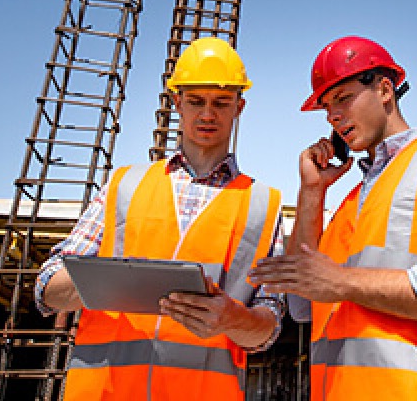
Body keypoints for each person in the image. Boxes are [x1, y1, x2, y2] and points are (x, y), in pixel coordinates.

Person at [250, 35, 417, 401]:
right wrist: (311, 191)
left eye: (343, 97)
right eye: (327, 106)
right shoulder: (350, 205)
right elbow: (303, 304)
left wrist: (343, 281)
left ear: (385, 90)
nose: (333, 115)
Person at [34, 37, 284, 401]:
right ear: (177, 103)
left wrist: (233, 318)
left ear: (239, 107)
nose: (208, 114)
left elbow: (269, 325)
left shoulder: (263, 205)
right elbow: (47, 287)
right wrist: (110, 283)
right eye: (195, 101)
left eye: (220, 102)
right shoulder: (124, 186)